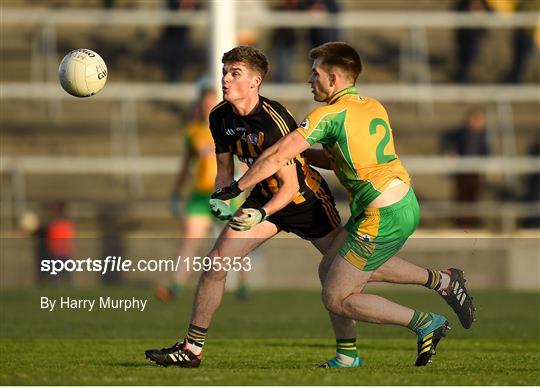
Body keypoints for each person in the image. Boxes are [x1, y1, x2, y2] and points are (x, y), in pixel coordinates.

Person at [212, 42, 476, 367]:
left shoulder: (328, 114)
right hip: (394, 201)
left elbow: (278, 154)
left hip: (383, 214)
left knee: (337, 297)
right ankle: (355, 349)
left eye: (316, 73)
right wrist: (302, 152)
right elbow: (339, 161)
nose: (310, 79)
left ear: (334, 79)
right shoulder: (372, 105)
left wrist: (237, 187)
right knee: (331, 269)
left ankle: (425, 323)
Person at [145, 45, 344, 368]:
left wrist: (261, 212)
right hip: (262, 200)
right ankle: (192, 349)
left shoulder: (273, 119)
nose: (225, 79)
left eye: (235, 73)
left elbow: (291, 185)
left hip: (305, 202)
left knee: (345, 273)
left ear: (255, 81)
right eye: (225, 72)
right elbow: (225, 172)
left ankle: (435, 281)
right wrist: (219, 196)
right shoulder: (219, 117)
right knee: (215, 264)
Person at [156, 84, 249, 300]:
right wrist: (176, 193)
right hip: (200, 195)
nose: (209, 108)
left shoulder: (231, 128)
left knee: (235, 240)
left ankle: (243, 286)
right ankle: (176, 287)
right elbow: (186, 165)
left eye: (212, 104)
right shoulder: (193, 132)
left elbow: (245, 159)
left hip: (227, 195)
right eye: (205, 104)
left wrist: (240, 181)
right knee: (190, 240)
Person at [441, 108, 490, 228]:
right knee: (461, 196)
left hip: (476, 171)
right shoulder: (460, 133)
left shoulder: (484, 135)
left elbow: (487, 152)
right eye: (475, 119)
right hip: (462, 171)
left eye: (480, 120)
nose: (477, 123)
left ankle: (473, 221)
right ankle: (460, 222)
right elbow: (446, 139)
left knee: (474, 196)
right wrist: (450, 152)